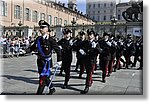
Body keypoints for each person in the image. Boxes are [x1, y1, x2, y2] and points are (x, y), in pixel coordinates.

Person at [26, 20, 62, 95]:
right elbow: (32, 47)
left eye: (43, 27)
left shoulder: (51, 40)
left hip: (47, 63)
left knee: (42, 79)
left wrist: (59, 60)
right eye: (40, 27)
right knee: (44, 77)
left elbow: (58, 50)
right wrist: (27, 50)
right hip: (40, 61)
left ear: (47, 29)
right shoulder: (38, 39)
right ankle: (52, 88)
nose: (41, 29)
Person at [80, 29, 101, 94]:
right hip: (86, 59)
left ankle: (86, 86)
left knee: (88, 73)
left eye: (91, 35)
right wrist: (81, 50)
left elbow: (100, 51)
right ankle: (90, 81)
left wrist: (95, 47)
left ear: (94, 36)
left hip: (92, 60)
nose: (89, 36)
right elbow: (78, 46)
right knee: (88, 72)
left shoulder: (96, 43)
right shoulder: (85, 42)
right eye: (89, 35)